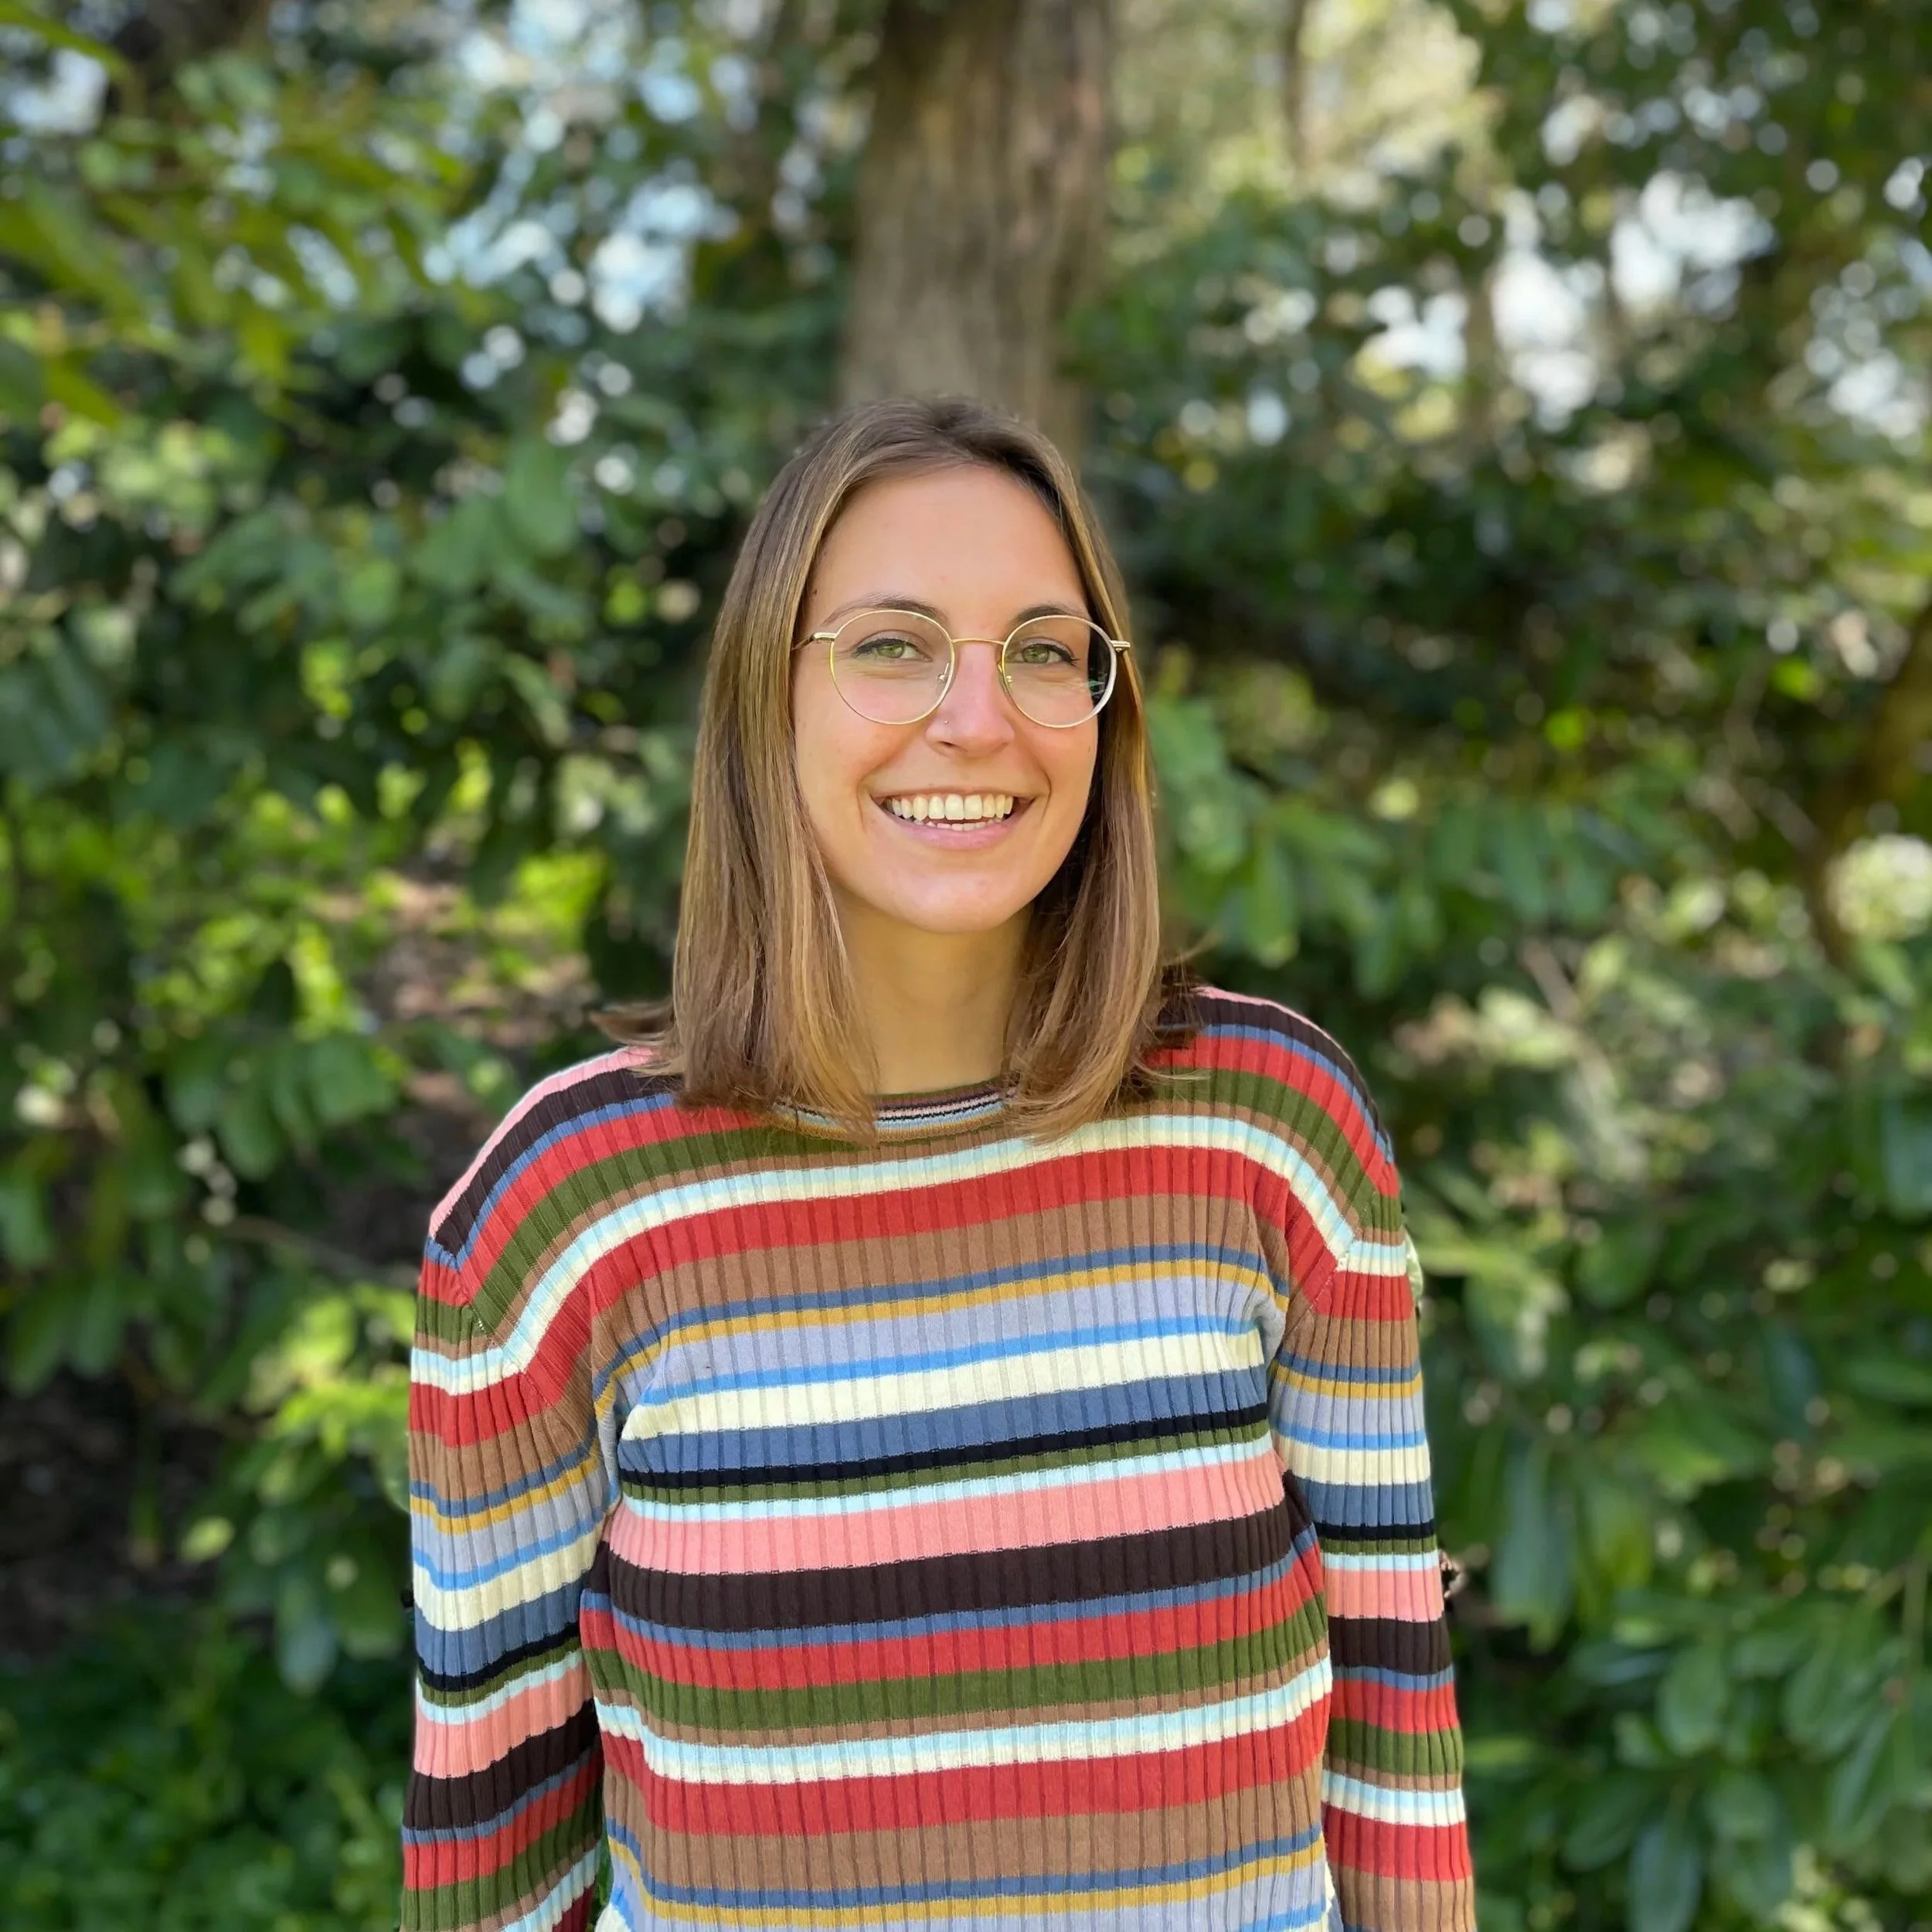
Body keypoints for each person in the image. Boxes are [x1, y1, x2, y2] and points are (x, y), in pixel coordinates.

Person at [400, 396, 1473, 1932]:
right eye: (892, 644)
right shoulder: (562, 1206)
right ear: (765, 697)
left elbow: (1390, 1731)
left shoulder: (1267, 1129)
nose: (979, 718)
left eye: (1044, 650)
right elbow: (491, 1832)